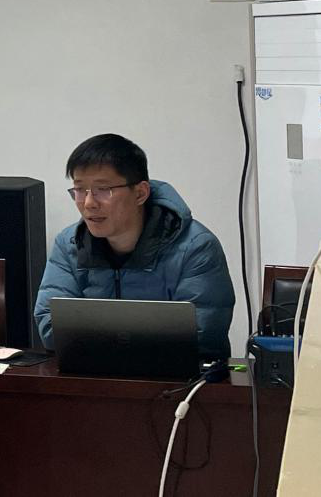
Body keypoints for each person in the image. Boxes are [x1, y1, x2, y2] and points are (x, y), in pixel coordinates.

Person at [33, 133, 234, 359]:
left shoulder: (195, 247)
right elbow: (51, 329)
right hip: (90, 375)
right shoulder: (69, 243)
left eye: (103, 190)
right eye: (80, 190)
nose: (89, 203)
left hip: (177, 377)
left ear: (140, 193)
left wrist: (97, 336)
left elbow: (202, 338)